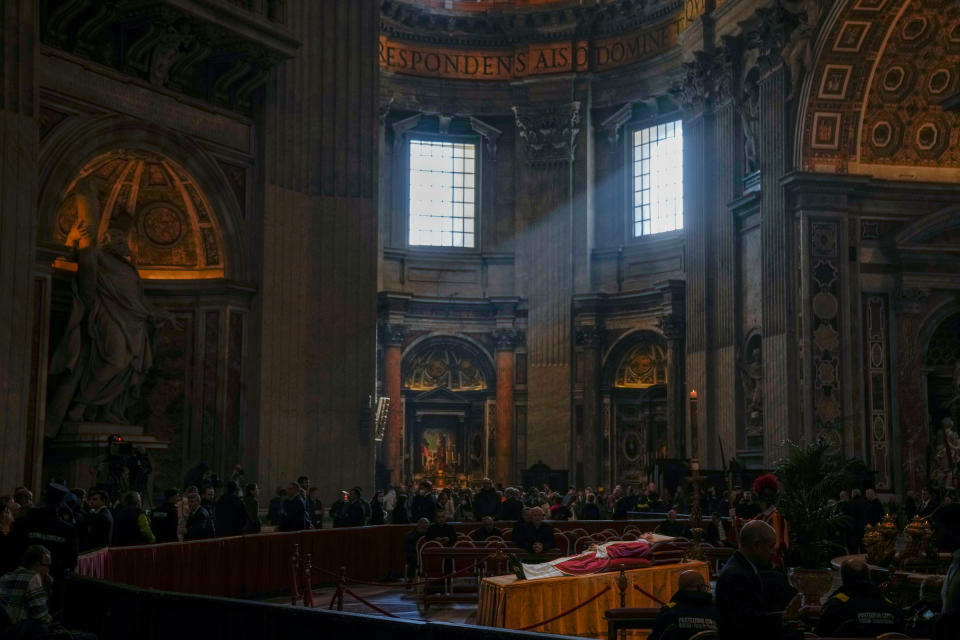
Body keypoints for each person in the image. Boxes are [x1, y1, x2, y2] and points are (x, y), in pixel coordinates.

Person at [715, 520, 801, 640]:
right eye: (770, 547)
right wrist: (784, 616)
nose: (773, 552)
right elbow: (746, 622)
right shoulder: (736, 576)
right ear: (757, 545)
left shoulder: (741, 568)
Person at [0, 545, 95, 639]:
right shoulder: (33, 578)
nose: (48, 571)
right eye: (47, 566)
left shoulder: (5, 577)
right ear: (36, 564)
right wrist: (47, 587)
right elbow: (42, 617)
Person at [815, 556, 903, 637]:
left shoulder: (836, 605)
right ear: (868, 577)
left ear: (844, 579)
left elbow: (820, 634)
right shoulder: (891, 607)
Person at [11, 482, 78, 582]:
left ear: (43, 498)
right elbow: (71, 562)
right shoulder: (68, 530)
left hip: (23, 578)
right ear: (61, 503)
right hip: (54, 580)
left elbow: (13, 550)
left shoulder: (23, 522)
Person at [649, 570, 719, 640]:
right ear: (700, 587)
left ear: (680, 588)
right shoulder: (717, 611)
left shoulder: (668, 611)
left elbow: (656, 637)